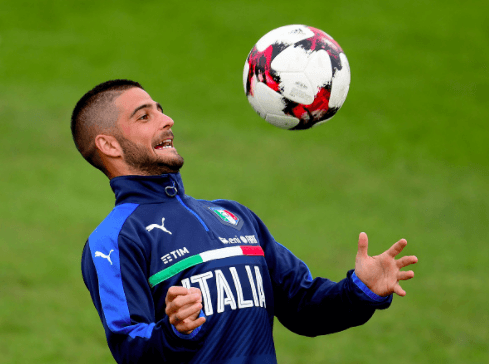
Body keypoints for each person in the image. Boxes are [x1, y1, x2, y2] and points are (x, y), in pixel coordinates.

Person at [72, 79, 418, 364]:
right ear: (109, 145)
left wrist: (360, 290)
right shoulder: (115, 240)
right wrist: (175, 332)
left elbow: (304, 307)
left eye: (161, 110)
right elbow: (130, 347)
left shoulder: (234, 217)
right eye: (144, 116)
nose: (167, 120)